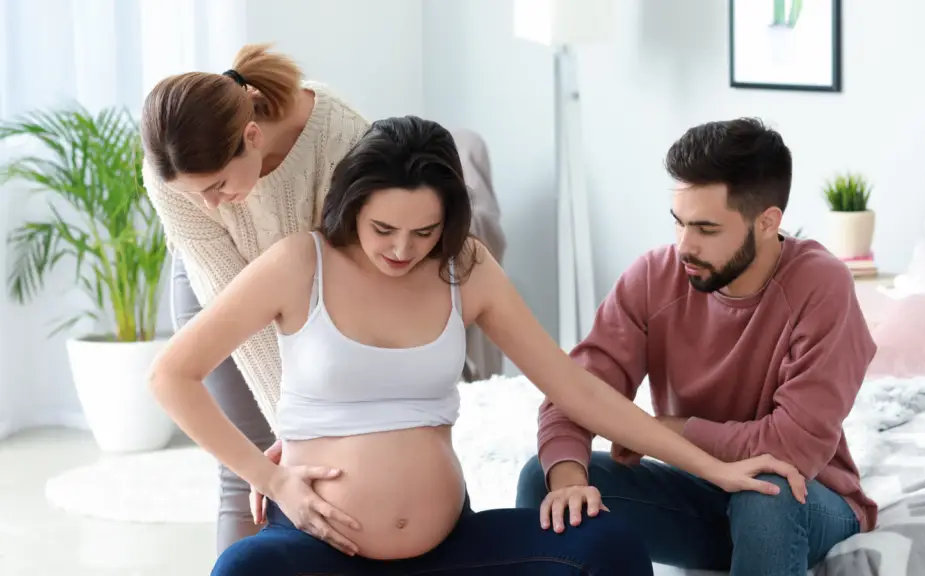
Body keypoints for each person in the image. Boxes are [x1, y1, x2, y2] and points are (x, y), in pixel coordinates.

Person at [147, 115, 810, 575]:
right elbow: (172, 376)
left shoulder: (464, 267)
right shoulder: (301, 264)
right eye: (383, 229)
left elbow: (574, 388)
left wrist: (713, 468)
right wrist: (268, 477)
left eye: (424, 232)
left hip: (450, 548)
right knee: (244, 568)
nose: (402, 250)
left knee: (608, 545)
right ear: (352, 205)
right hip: (321, 547)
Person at [515, 118, 879, 576]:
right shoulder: (653, 277)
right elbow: (575, 393)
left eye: (706, 229)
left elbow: (790, 448)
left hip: (804, 501)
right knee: (544, 478)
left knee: (766, 488)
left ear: (767, 222)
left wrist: (663, 430)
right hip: (695, 495)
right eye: (679, 223)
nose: (685, 246)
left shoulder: (822, 285)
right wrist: (570, 481)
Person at [140, 43, 370, 552]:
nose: (209, 204)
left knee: (330, 465)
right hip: (216, 288)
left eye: (218, 185)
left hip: (320, 292)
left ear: (252, 136)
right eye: (193, 194)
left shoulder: (342, 138)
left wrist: (316, 432)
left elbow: (351, 284)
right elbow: (235, 304)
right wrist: (288, 446)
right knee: (248, 469)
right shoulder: (170, 175)